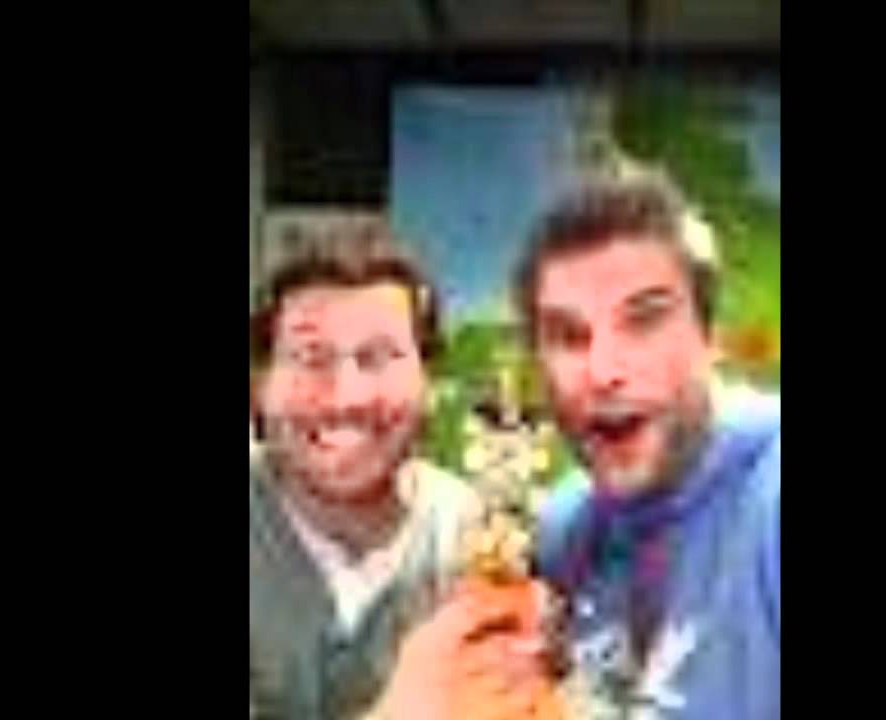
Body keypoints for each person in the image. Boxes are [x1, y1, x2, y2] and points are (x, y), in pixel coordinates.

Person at [518, 175, 781, 718]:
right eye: (568, 336)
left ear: (710, 338)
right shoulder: (564, 529)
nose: (602, 372)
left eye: (643, 322)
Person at [249, 216, 496, 719]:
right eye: (310, 357)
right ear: (260, 384)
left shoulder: (469, 535)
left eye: (381, 357)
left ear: (429, 381)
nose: (347, 397)